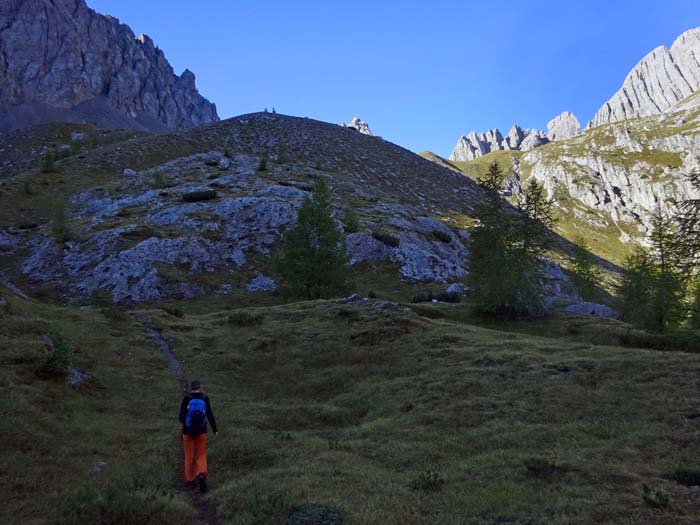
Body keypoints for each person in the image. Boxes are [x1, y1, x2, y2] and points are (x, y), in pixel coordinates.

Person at [179, 380, 218, 493]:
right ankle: (201, 474)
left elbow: (181, 418)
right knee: (201, 454)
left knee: (189, 456)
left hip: (188, 433)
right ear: (201, 387)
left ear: (191, 388)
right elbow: (210, 415)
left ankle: (190, 480)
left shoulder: (187, 399)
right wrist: (215, 429)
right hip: (202, 432)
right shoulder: (205, 398)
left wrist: (188, 424)